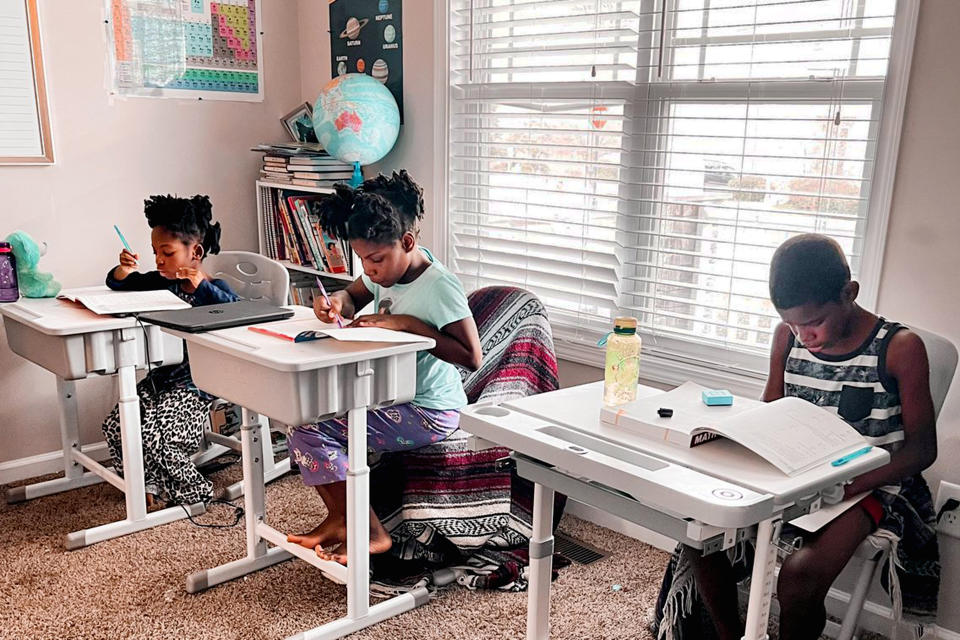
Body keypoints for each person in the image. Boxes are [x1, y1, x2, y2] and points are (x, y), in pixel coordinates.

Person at [657, 234, 940, 640]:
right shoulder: (787, 336)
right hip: (796, 472)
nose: (803, 334)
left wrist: (850, 485)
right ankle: (729, 634)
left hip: (873, 486)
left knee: (800, 574)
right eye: (792, 322)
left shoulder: (898, 348)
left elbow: (921, 450)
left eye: (812, 322)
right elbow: (771, 411)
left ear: (849, 293)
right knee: (703, 535)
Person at [285, 170, 483, 565]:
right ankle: (341, 518)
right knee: (300, 419)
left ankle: (372, 532)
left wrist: (409, 325)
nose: (370, 270)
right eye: (362, 260)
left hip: (432, 409)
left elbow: (471, 355)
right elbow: (353, 295)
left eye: (375, 260)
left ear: (407, 242)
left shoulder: (438, 285)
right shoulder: (384, 274)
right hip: (391, 393)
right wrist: (336, 304)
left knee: (310, 430)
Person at [101, 194, 239, 506]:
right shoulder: (163, 284)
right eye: (155, 253)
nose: (159, 260)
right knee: (116, 424)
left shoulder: (215, 290)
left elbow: (236, 312)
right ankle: (146, 485)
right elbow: (122, 285)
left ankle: (192, 490)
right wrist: (122, 270)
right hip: (162, 379)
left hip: (197, 384)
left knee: (160, 436)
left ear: (196, 252)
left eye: (167, 252)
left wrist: (201, 285)